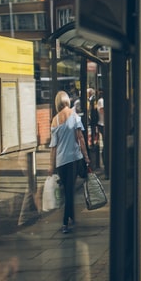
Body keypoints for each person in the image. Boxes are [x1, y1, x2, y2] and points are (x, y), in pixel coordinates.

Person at [49, 90, 91, 234]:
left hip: (61, 162)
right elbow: (81, 139)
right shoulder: (74, 116)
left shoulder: (54, 120)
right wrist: (86, 157)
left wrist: (51, 165)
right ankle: (65, 222)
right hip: (73, 159)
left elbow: (53, 147)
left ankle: (71, 217)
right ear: (67, 100)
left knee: (68, 191)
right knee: (69, 191)